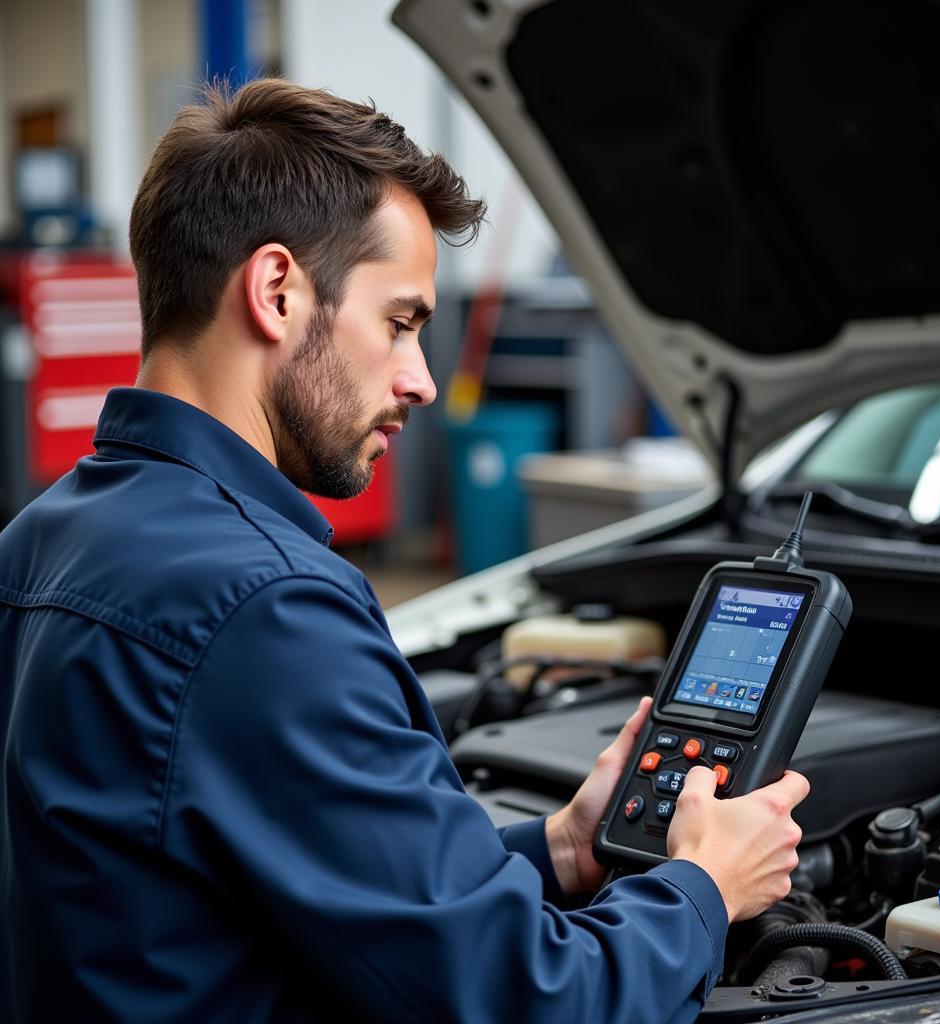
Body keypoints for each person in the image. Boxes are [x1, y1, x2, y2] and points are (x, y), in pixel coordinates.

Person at [0, 79, 807, 1023]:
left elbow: (256, 889)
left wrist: (553, 852)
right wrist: (703, 890)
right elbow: (531, 1005)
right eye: (401, 322)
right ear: (276, 291)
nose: (420, 379)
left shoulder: (40, 541)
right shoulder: (266, 608)